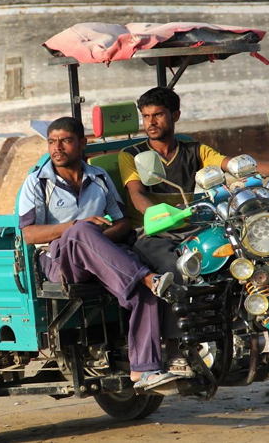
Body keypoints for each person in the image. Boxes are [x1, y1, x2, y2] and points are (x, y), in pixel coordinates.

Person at [119, 87, 269, 377]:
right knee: (174, 269)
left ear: (175, 116)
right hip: (151, 233)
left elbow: (235, 166)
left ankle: (257, 328)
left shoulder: (194, 150)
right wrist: (155, 215)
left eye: (157, 114)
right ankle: (173, 348)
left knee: (252, 251)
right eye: (145, 116)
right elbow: (136, 194)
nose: (151, 122)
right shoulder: (132, 155)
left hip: (195, 226)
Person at [18, 117, 179, 389]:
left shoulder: (100, 177)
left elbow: (122, 223)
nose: (57, 147)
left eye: (65, 141)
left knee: (145, 293)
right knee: (81, 231)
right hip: (59, 261)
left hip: (100, 257)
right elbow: (28, 234)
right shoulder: (37, 182)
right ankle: (146, 276)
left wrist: (96, 239)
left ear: (82, 143)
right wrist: (77, 227)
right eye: (51, 142)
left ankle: (146, 370)